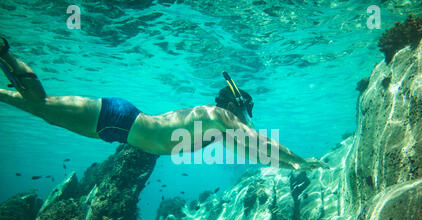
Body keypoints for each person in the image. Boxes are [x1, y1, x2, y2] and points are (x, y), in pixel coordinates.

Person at [0, 38, 328, 170]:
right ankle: (5, 52)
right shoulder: (221, 118)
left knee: (40, 109)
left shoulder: (220, 129)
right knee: (41, 105)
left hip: (117, 127)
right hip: (119, 119)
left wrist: (293, 165)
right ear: (238, 104)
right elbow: (260, 142)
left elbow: (256, 153)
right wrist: (301, 158)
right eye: (247, 109)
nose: (248, 116)